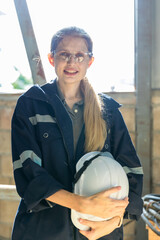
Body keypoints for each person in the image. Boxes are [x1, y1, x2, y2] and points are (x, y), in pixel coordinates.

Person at [11, 26, 143, 240]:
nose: (72, 62)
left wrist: (113, 222)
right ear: (52, 58)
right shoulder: (31, 105)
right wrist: (82, 204)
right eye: (64, 54)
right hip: (44, 232)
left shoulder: (107, 111)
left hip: (100, 232)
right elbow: (29, 174)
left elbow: (132, 173)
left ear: (89, 61)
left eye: (80, 55)